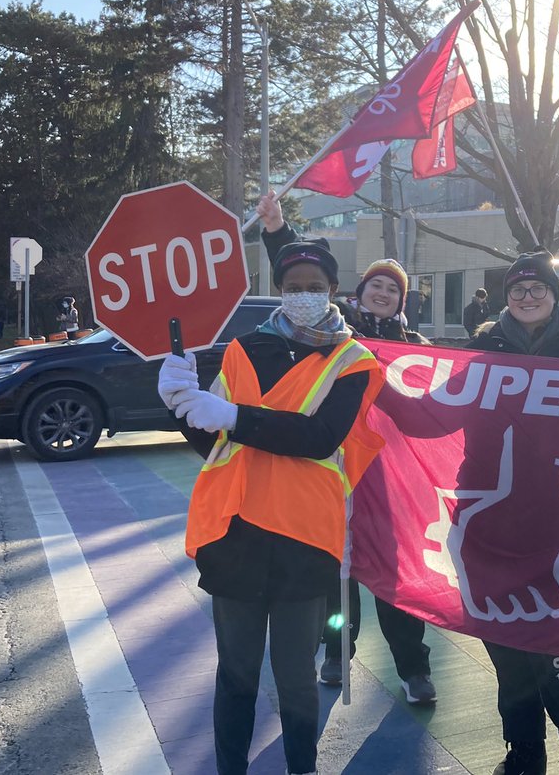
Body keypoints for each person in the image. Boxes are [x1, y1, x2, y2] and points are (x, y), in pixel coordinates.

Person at [157, 237, 385, 775]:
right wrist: (180, 405)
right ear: (278, 291)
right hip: (235, 533)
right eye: (292, 287)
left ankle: (301, 768)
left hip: (305, 540)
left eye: (314, 287)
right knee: (234, 673)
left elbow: (319, 437)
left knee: (296, 680)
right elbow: (215, 444)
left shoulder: (354, 361)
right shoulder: (243, 349)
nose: (303, 295)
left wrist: (234, 416)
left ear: (333, 289)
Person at [258, 191, 438, 706]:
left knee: (393, 575)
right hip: (339, 468)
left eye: (392, 288)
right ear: (358, 293)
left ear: (402, 301)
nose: (383, 291)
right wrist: (276, 231)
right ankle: (338, 650)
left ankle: (413, 666)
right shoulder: (336, 332)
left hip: (392, 480)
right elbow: (303, 280)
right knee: (340, 570)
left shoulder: (419, 349)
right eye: (375, 284)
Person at [469, 250, 559, 775]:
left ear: (553, 295)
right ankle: (524, 749)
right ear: (506, 295)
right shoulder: (484, 348)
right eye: (518, 289)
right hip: (490, 522)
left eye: (538, 289)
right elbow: (444, 410)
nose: (528, 297)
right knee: (508, 652)